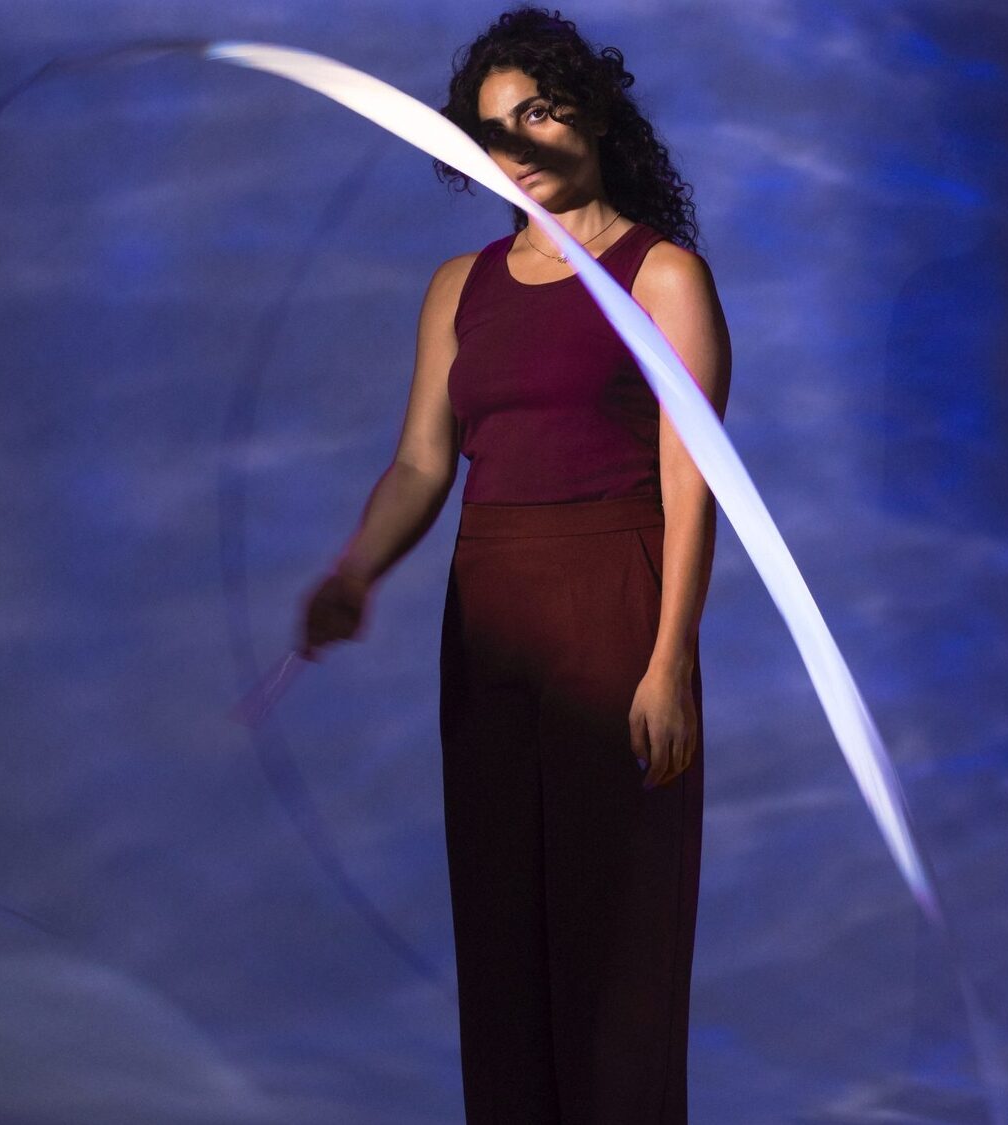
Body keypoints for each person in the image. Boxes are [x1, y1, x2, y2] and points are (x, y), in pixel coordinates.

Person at [297, 8, 730, 1122]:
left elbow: (692, 485)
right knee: (502, 939)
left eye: (538, 112)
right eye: (493, 129)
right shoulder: (461, 285)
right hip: (487, 622)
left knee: (617, 949)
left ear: (593, 114)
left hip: (612, 611)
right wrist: (354, 571)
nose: (519, 144)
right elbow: (418, 463)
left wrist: (669, 661)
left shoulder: (662, 275)